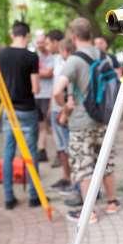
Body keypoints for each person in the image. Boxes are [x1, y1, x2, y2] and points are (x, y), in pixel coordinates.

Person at [53, 18, 120, 224]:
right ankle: (112, 203)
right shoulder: (104, 56)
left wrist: (65, 106)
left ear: (73, 37)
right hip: (103, 120)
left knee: (84, 167)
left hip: (81, 123)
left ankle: (89, 213)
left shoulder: (73, 60)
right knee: (105, 162)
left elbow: (57, 91)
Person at [0, 21, 41, 210]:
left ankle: (8, 198)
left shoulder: (1, 55)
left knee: (8, 152)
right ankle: (33, 196)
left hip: (8, 109)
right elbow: (36, 88)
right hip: (27, 110)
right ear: (27, 36)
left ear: (12, 34)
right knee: (31, 153)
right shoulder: (31, 57)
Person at [49, 37, 74, 195]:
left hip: (63, 111)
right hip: (56, 109)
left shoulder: (70, 64)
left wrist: (64, 110)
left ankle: (75, 182)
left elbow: (65, 92)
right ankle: (67, 178)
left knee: (69, 147)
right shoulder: (59, 60)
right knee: (62, 147)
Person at [34, 32, 54, 163]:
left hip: (48, 94)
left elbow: (49, 73)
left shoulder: (52, 56)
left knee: (47, 124)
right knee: (39, 124)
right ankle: (40, 150)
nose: (40, 45)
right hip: (37, 94)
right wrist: (42, 72)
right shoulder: (34, 56)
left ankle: (47, 150)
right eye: (38, 42)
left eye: (42, 42)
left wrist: (37, 72)